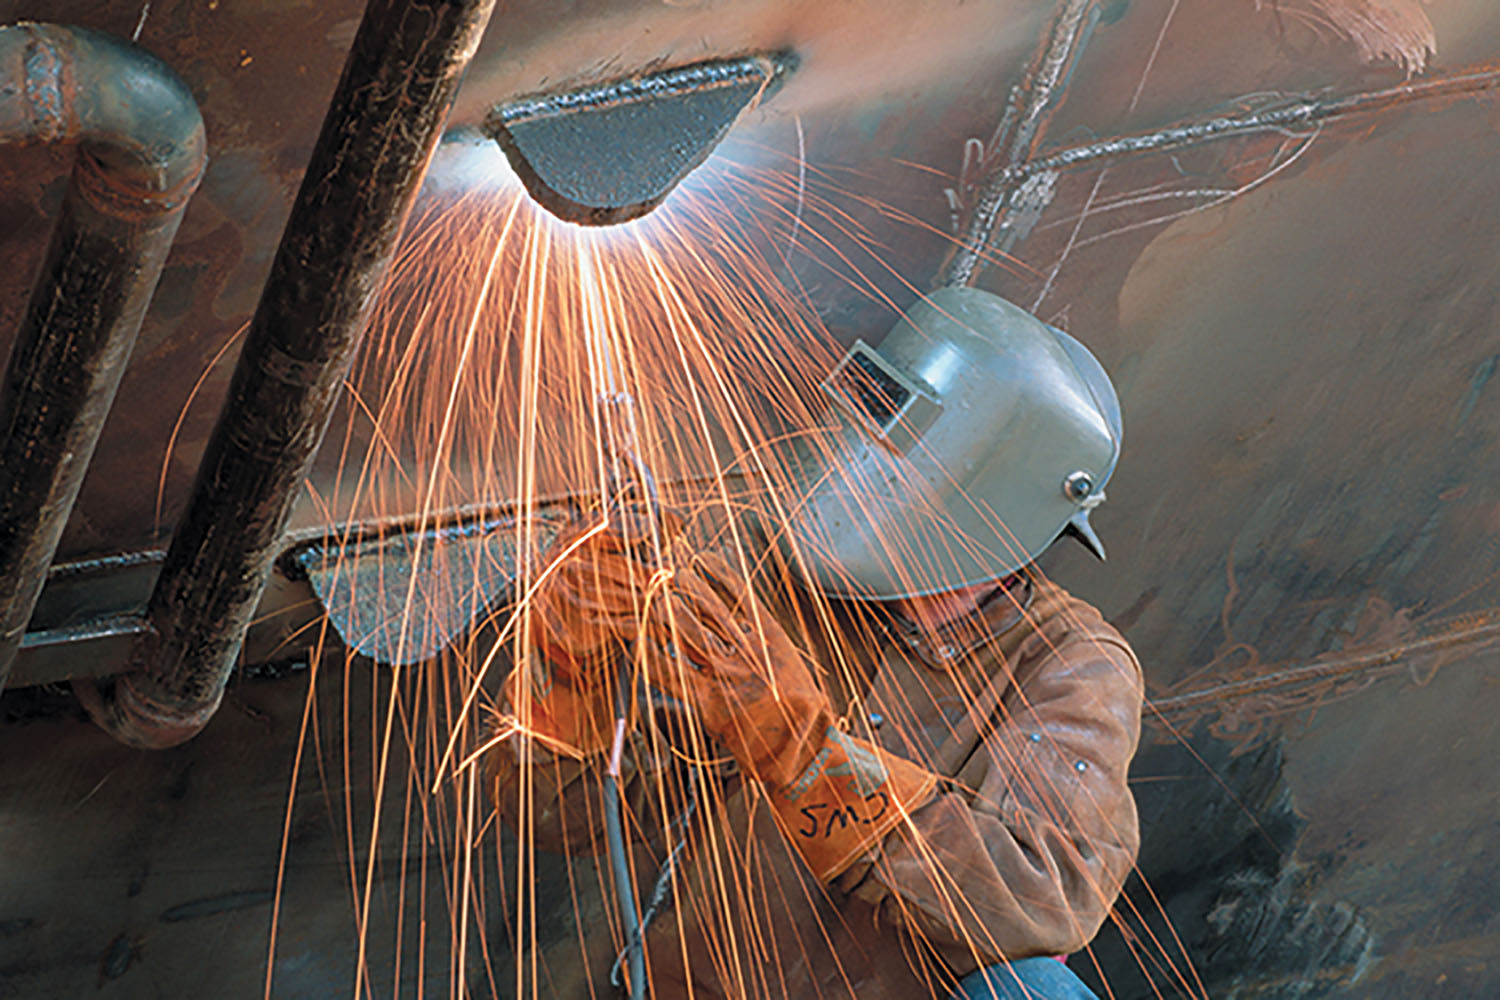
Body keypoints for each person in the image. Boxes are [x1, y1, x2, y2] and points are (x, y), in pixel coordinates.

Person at [485, 287, 1144, 999]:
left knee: (1037, 994)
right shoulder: (774, 580)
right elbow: (560, 820)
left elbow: (1044, 902)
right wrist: (567, 668)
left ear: (994, 514)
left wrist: (802, 749)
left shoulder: (1070, 663)